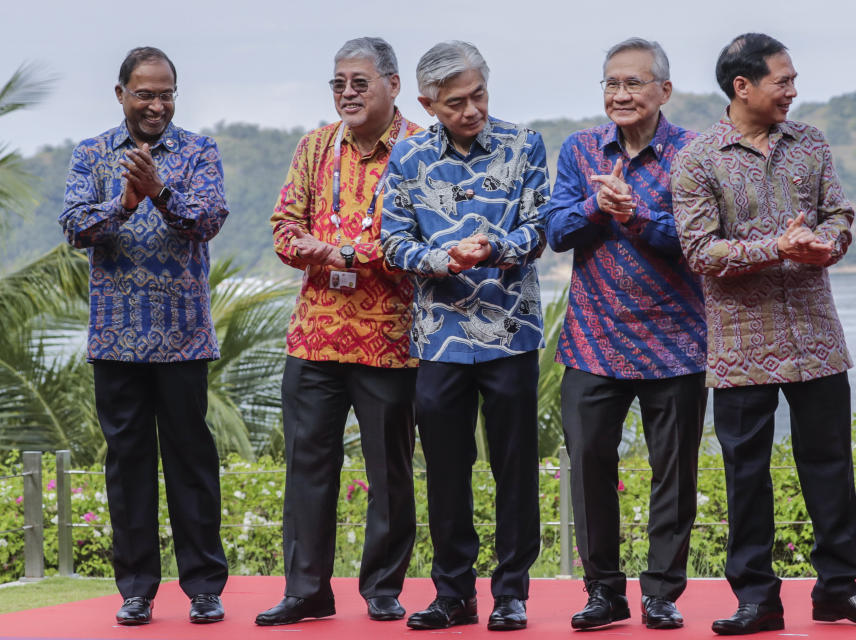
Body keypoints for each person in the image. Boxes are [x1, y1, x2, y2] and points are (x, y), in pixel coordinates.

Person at [671, 33, 856, 635]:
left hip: (817, 336)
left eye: (793, 80)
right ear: (742, 86)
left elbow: (839, 213)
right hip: (741, 345)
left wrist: (826, 244)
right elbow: (700, 251)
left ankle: (838, 591)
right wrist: (775, 246)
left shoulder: (812, 144)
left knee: (830, 466)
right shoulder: (698, 159)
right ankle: (757, 600)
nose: (793, 91)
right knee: (745, 473)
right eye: (783, 81)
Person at [381, 40, 549, 632]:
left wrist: (497, 247)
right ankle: (453, 593)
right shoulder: (406, 159)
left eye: (479, 95)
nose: (472, 109)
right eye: (455, 103)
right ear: (428, 104)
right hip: (439, 340)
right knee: (446, 472)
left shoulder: (525, 143)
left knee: (515, 468)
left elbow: (539, 227)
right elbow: (392, 242)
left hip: (511, 334)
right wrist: (439, 258)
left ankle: (511, 593)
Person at [59, 46, 229, 626]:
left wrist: (159, 191)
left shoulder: (200, 151)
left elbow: (207, 220)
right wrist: (125, 202)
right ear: (121, 94)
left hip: (184, 339)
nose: (156, 105)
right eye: (145, 93)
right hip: (116, 341)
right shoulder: (91, 154)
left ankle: (205, 586)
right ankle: (136, 588)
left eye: (166, 94)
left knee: (192, 464)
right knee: (127, 468)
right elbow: (75, 228)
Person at [254, 37, 421, 626]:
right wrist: (314, 250)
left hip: (391, 339)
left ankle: (382, 588)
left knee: (389, 474)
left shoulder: (421, 151)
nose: (347, 93)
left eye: (359, 82)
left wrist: (336, 251)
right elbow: (283, 227)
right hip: (314, 336)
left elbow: (412, 245)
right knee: (306, 470)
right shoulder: (314, 146)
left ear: (393, 85)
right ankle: (306, 591)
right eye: (338, 83)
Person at [543, 38, 706, 631]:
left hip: (677, 343)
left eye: (634, 83)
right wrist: (596, 205)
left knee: (675, 474)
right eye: (611, 83)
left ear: (665, 90)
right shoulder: (581, 148)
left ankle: (661, 593)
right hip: (592, 341)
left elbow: (696, 244)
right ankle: (603, 593)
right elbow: (556, 231)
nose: (621, 94)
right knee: (587, 467)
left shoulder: (694, 153)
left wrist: (635, 213)